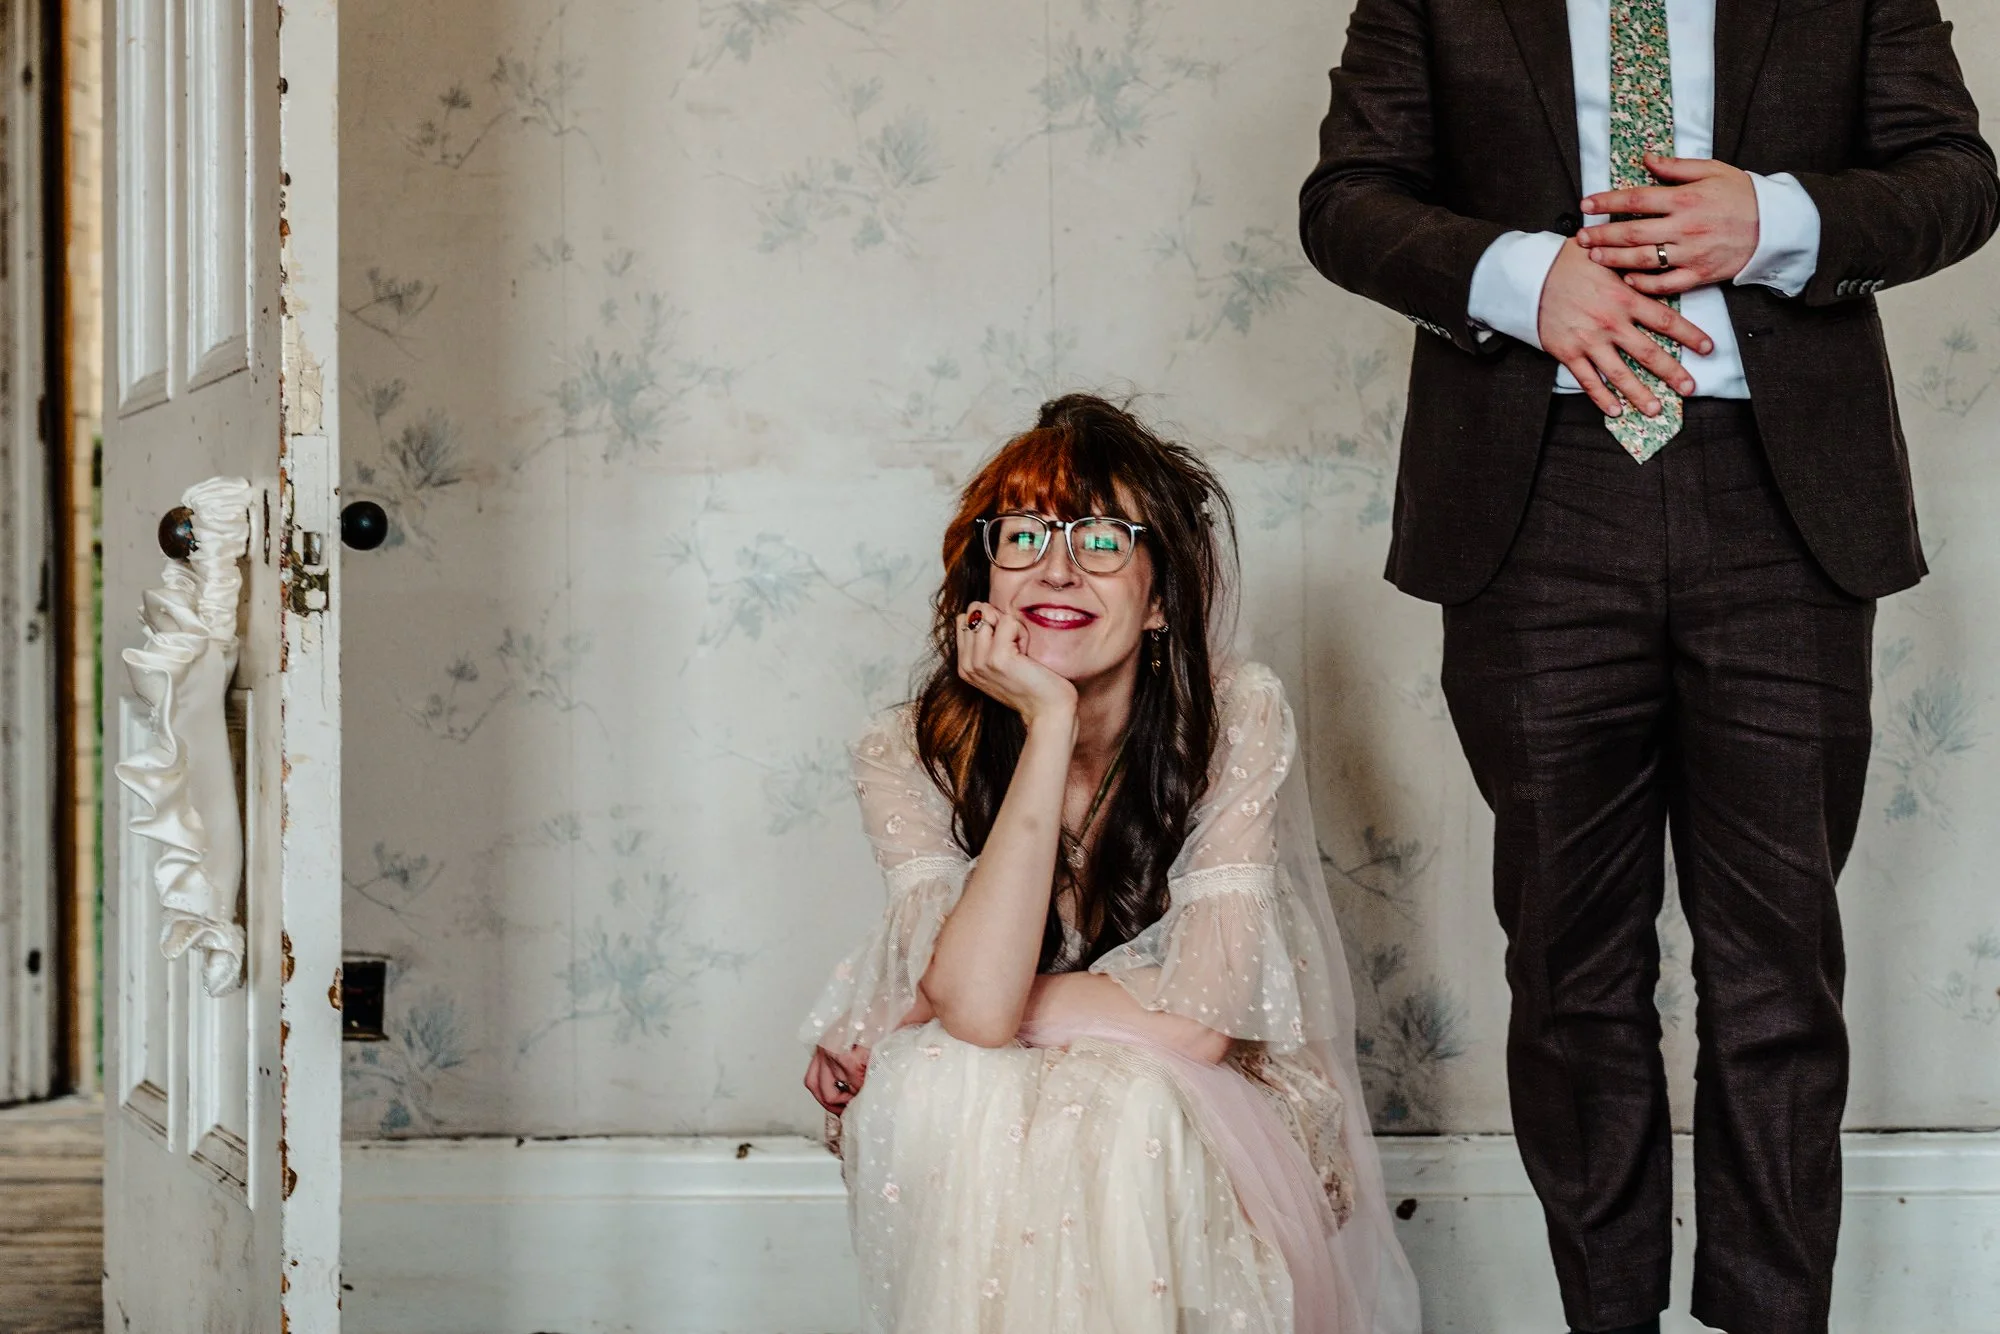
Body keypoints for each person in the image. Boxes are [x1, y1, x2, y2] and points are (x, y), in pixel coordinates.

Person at [1298, 4, 1998, 1334]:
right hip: (1535, 500)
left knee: (1777, 971)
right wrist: (1519, 278)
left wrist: (1775, 219)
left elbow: (1955, 178)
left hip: (1783, 504)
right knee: (1568, 969)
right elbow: (1347, 199)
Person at [799, 394, 1420, 1334]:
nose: (1057, 567)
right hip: (1019, 1090)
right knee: (938, 1079)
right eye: (1023, 537)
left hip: (1208, 1109)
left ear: (1160, 598)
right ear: (983, 582)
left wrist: (923, 1003)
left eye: (1101, 540)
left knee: (1125, 1101)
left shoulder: (1235, 715)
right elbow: (975, 1019)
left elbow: (1200, 1026)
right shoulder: (903, 750)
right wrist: (1047, 723)